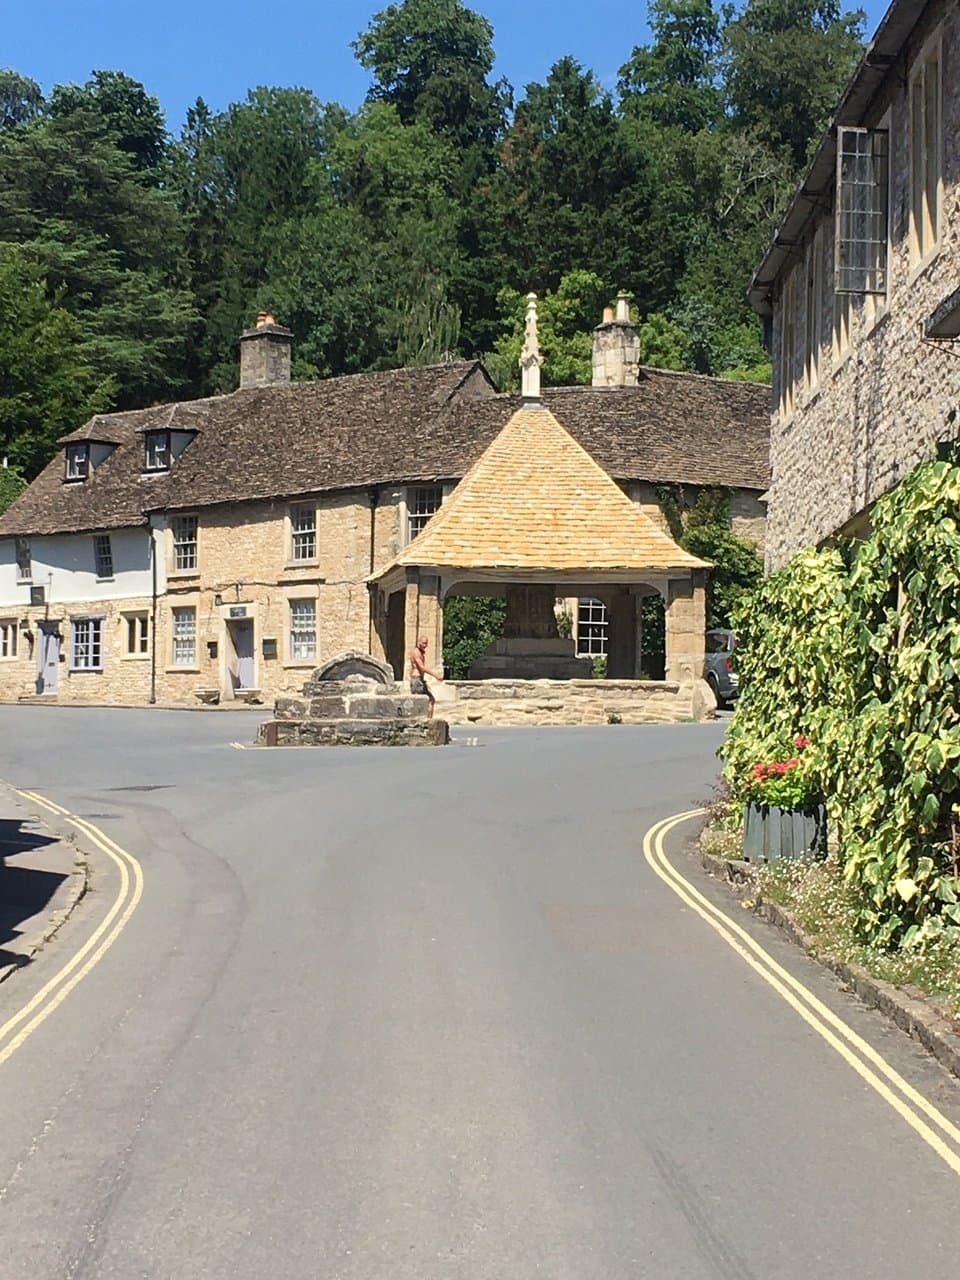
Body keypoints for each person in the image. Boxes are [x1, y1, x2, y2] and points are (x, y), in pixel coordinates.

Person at [409, 635, 444, 719]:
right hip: (416, 680)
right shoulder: (416, 652)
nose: (424, 645)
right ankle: (421, 721)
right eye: (423, 643)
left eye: (426, 644)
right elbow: (422, 667)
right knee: (419, 702)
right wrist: (435, 674)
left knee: (431, 700)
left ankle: (428, 721)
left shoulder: (421, 653)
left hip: (420, 679)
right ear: (419, 642)